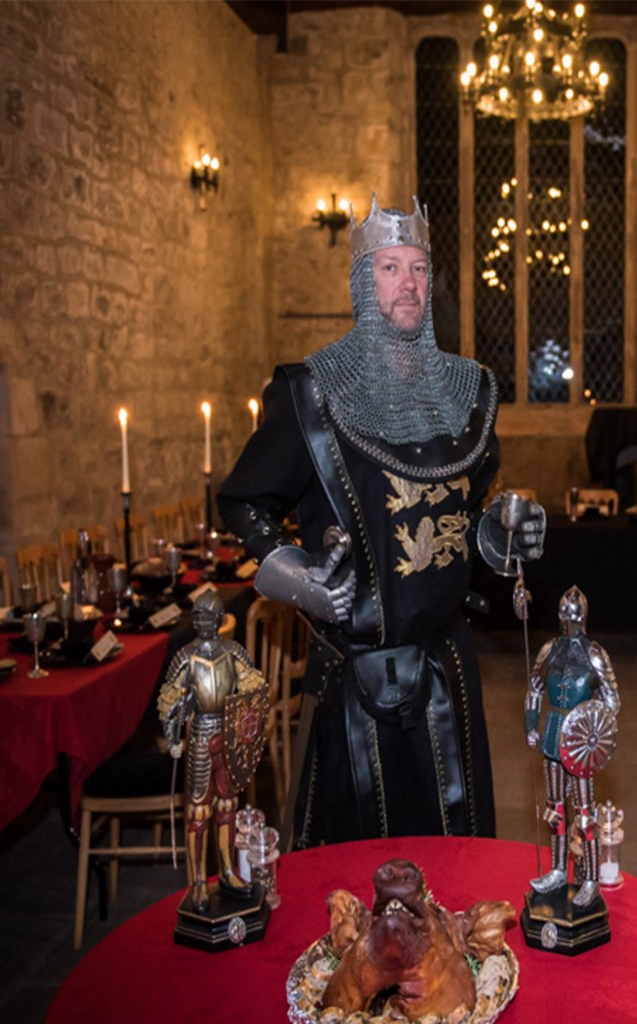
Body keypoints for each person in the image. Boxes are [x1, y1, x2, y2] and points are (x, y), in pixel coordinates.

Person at [218, 195, 545, 847]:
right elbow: (243, 501)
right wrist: (302, 580)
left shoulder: (468, 393)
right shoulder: (311, 394)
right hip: (356, 677)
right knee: (355, 873)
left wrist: (503, 532)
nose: (408, 285)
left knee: (455, 864)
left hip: (448, 669)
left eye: (418, 268)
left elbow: (468, 513)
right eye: (390, 268)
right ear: (364, 282)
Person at [157, 590, 268, 909]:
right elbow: (169, 701)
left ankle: (228, 871)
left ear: (219, 619)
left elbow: (252, 692)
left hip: (228, 732)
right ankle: (198, 883)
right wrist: (174, 733)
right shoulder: (185, 658)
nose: (203, 622)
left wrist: (246, 728)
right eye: (199, 616)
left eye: (208, 617)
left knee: (227, 806)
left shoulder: (234, 653)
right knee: (198, 811)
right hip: (201, 734)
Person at [525, 586, 620, 907]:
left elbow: (611, 700)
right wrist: (531, 726)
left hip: (580, 743)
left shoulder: (595, 654)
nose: (570, 621)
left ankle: (590, 879)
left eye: (574, 616)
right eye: (565, 615)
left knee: (585, 816)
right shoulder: (549, 650)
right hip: (553, 735)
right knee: (555, 811)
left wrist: (593, 728)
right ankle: (557, 871)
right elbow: (535, 688)